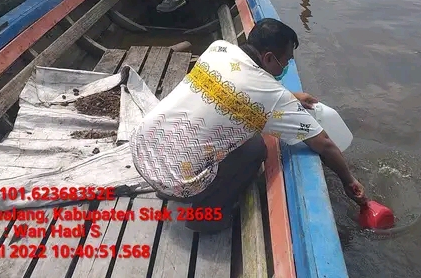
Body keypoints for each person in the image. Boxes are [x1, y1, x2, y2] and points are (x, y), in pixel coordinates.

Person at [129, 18, 367, 233]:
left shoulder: (218, 49)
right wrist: (349, 181)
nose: (286, 67)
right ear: (269, 58)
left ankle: (166, 184)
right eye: (286, 61)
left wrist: (292, 96)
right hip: (178, 182)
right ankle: (206, 219)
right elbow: (324, 144)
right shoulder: (271, 96)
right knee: (254, 148)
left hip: (141, 150)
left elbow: (243, 85)